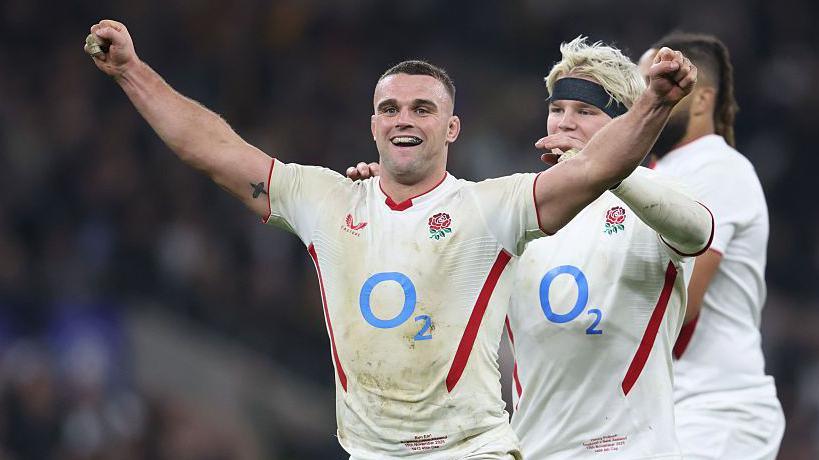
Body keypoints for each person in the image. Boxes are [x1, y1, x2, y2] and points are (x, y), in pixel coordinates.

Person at [85, 19, 696, 459]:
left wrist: (654, 105)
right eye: (391, 108)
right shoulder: (324, 198)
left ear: (452, 127)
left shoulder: (492, 209)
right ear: (372, 123)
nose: (405, 118)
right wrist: (131, 73)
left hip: (471, 452)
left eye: (423, 109)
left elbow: (591, 172)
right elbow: (215, 152)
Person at [347, 37, 714, 459]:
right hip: (535, 449)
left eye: (585, 112)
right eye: (557, 110)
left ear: (625, 124)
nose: (564, 123)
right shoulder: (518, 213)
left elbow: (698, 231)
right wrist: (389, 202)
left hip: (630, 449)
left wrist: (613, 170)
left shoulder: (651, 199)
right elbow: (430, 266)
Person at [638, 32, 785, 460]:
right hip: (668, 410)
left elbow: (681, 302)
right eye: (643, 88)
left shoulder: (717, 168)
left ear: (700, 100)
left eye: (661, 86)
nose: (645, 101)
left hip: (717, 409)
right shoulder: (653, 175)